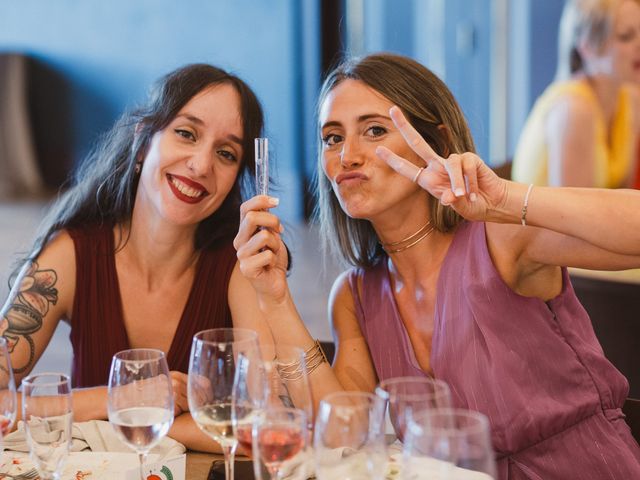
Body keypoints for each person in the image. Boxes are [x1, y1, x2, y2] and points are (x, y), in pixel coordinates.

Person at [235, 53, 640, 478]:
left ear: (438, 144)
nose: (347, 156)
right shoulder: (355, 295)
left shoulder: (498, 238)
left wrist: (505, 200)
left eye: (374, 131)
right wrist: (275, 300)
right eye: (332, 138)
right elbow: (343, 438)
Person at [0, 63, 273, 452]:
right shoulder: (69, 255)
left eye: (226, 153)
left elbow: (264, 425)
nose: (201, 165)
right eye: (186, 133)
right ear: (144, 141)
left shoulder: (238, 266)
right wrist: (120, 400)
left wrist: (149, 416)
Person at [512, 0, 640, 187]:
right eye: (626, 36)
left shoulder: (630, 98)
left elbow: (624, 196)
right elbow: (568, 213)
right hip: (541, 217)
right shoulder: (574, 109)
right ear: (587, 47)